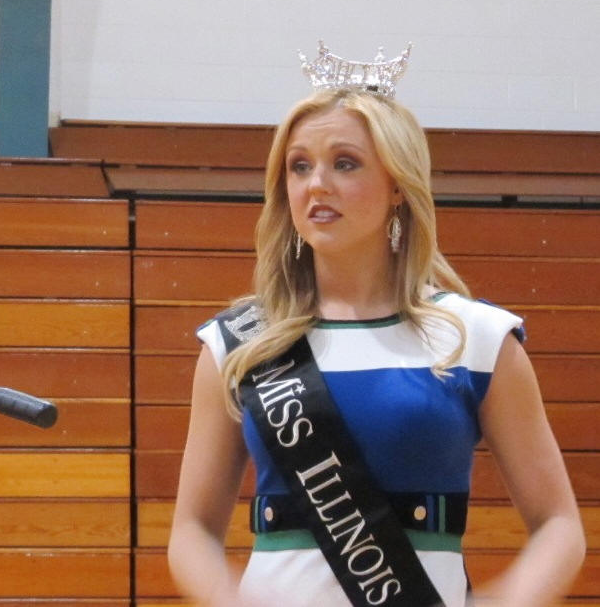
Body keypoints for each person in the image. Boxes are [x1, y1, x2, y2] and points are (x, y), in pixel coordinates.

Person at [166, 85, 585, 605]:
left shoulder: (475, 338)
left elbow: (559, 525)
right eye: (299, 166)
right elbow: (192, 531)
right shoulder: (240, 344)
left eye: (345, 163)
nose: (317, 184)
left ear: (398, 185)